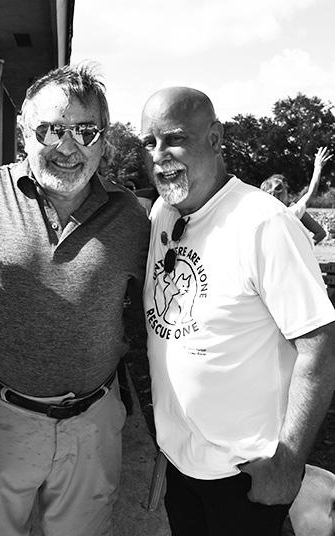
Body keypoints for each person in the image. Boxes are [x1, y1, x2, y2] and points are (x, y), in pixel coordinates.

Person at [0, 65, 150, 535]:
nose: (67, 147)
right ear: (24, 135)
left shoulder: (131, 217)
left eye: (85, 131)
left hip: (93, 423)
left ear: (103, 141)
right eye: (50, 130)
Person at [140, 87, 335, 536]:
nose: (159, 154)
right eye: (149, 142)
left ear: (215, 138)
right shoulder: (163, 213)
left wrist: (288, 463)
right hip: (181, 467)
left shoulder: (264, 223)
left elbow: (319, 345)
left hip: (245, 476)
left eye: (175, 138)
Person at [260, 146, 332, 244]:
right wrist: (318, 167)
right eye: (281, 187)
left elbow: (320, 233)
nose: (285, 187)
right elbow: (311, 193)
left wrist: (304, 248)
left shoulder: (290, 210)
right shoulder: (287, 213)